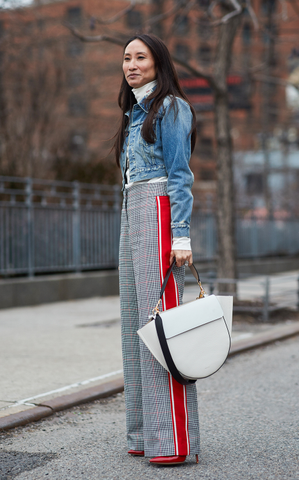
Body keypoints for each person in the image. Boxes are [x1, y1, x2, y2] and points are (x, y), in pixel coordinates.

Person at [114, 33, 200, 466]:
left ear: (157, 62)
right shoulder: (134, 110)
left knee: (161, 325)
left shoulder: (171, 107)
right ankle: (145, 434)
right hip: (133, 207)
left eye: (140, 57)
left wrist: (180, 235)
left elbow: (180, 175)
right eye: (126, 58)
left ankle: (174, 440)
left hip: (161, 208)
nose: (131, 64)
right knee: (135, 324)